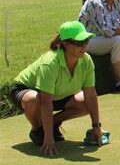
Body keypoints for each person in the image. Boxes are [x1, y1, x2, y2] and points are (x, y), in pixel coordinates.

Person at [9, 21, 106, 156]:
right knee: (33, 99)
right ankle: (37, 130)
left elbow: (90, 95)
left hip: (58, 94)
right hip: (25, 90)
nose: (84, 46)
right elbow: (45, 102)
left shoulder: (86, 60)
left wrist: (96, 126)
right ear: (65, 44)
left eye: (86, 40)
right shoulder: (50, 63)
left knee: (85, 102)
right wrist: (48, 138)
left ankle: (53, 123)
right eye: (79, 43)